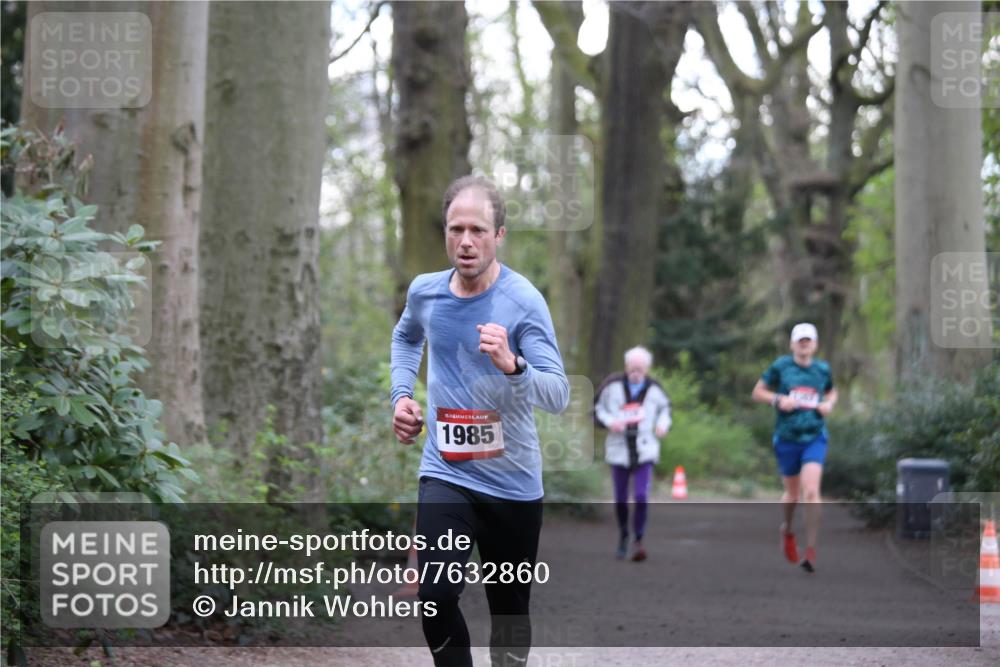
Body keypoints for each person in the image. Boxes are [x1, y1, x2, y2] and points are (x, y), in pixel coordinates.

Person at [390, 175, 570, 667]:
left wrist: (514, 365)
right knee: (435, 595)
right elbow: (406, 339)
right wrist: (401, 396)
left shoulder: (524, 301)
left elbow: (557, 394)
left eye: (478, 230)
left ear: (500, 235)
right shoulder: (425, 293)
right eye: (455, 229)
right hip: (447, 470)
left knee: (509, 611)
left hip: (512, 483)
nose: (465, 242)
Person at [752, 322, 838, 573]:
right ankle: (787, 530)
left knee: (811, 490)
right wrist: (778, 399)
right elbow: (757, 392)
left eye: (808, 341)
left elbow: (832, 392)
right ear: (792, 344)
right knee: (792, 495)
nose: (804, 345)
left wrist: (828, 404)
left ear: (815, 345)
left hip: (814, 435)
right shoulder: (781, 366)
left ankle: (810, 550)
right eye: (800, 341)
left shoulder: (822, 369)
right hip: (787, 437)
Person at [594, 346, 671, 562]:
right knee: (619, 499)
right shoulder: (612, 385)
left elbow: (666, 409)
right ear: (626, 367)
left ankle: (638, 539)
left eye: (640, 369)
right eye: (632, 368)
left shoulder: (655, 389)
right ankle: (623, 534)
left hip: (645, 448)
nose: (636, 373)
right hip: (619, 448)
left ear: (647, 369)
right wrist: (611, 422)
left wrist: (663, 425)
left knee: (640, 496)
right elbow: (597, 409)